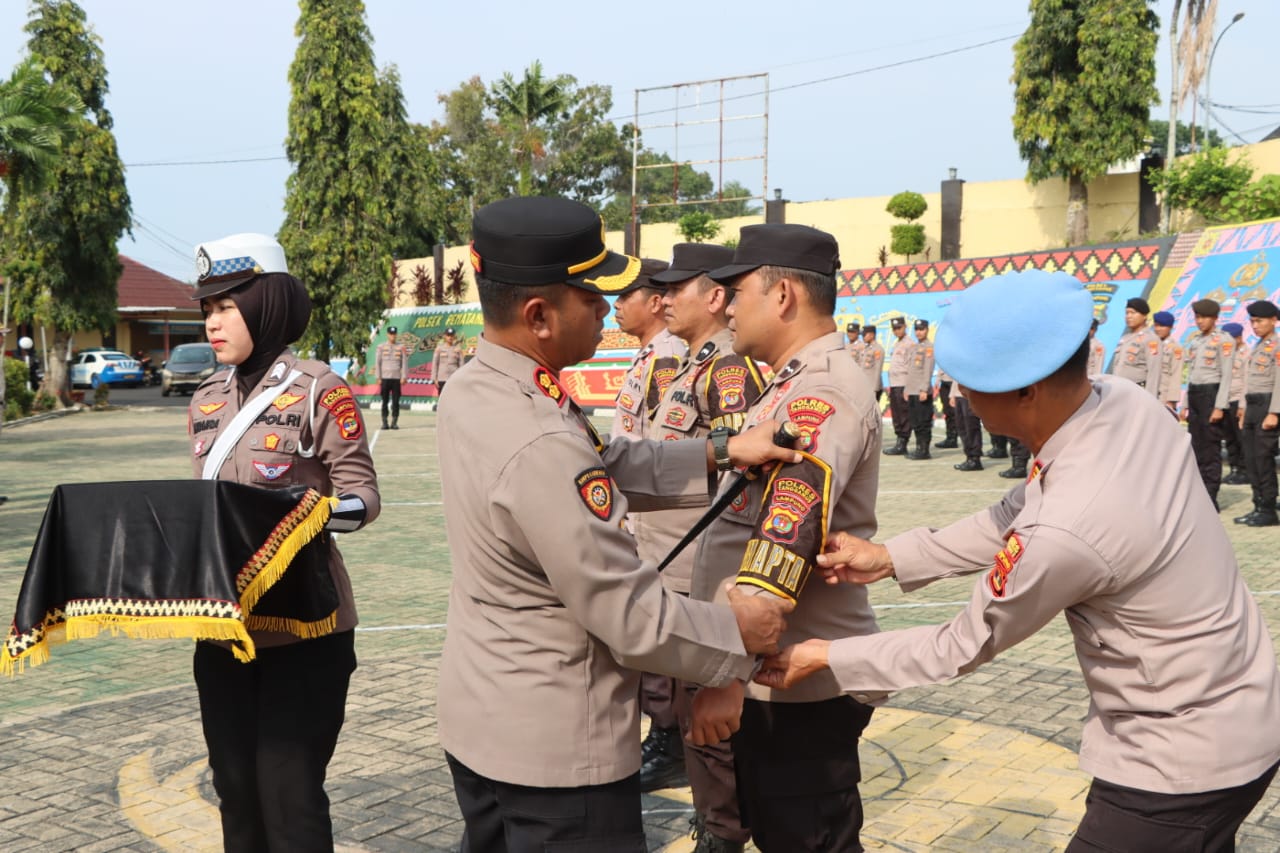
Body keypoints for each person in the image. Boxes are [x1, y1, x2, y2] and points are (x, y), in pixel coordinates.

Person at [755, 269, 1280, 852]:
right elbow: (1017, 509)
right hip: (1241, 704)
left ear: (1027, 390)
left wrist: (825, 655)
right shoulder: (1121, 403)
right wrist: (889, 557)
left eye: (973, 386)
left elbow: (959, 645)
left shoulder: (1070, 527)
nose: (964, 399)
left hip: (1180, 760)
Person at [434, 196, 798, 852]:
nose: (609, 310)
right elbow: (630, 616)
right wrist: (739, 634)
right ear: (539, 315)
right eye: (592, 296)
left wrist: (721, 450)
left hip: (485, 718)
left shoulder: (479, 385)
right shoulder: (538, 436)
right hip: (556, 752)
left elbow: (603, 460)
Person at [688, 223, 885, 852]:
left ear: (782, 296)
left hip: (793, 682)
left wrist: (726, 671)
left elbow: (785, 539)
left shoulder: (820, 393)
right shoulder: (789, 382)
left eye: (738, 291)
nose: (728, 306)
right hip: (773, 674)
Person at [188, 232, 381, 852]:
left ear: (266, 304)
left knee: (289, 796)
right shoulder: (205, 400)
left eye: (227, 306)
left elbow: (363, 495)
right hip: (225, 628)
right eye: (208, 309)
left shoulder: (319, 388)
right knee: (236, 793)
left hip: (306, 629)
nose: (213, 323)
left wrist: (308, 517)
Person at [642, 242, 766, 849]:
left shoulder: (728, 371)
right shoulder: (692, 366)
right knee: (696, 721)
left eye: (676, 288)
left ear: (715, 296)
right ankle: (714, 820)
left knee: (711, 725)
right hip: (675, 572)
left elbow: (740, 489)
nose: (663, 298)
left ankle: (721, 832)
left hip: (705, 578)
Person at [612, 258, 684, 440]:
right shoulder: (650, 353)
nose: (616, 304)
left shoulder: (665, 358)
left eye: (625, 296)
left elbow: (664, 440)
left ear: (655, 303)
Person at [1182, 299, 1236, 509]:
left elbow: (1227, 375)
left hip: (1211, 395)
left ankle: (1211, 496)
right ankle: (1199, 495)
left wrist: (1219, 407)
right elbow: (1191, 374)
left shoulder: (1224, 340)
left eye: (1204, 317)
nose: (1200, 321)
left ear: (1214, 318)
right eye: (1197, 317)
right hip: (1195, 395)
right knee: (1196, 447)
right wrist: (1185, 403)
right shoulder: (1196, 341)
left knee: (1210, 448)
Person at [1234, 299, 1280, 527]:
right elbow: (1248, 381)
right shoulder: (1258, 346)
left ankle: (1268, 509)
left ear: (1273, 320)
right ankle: (1257, 505)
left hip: (1267, 405)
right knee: (1251, 458)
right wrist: (1243, 409)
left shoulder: (1277, 346)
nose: (1255, 325)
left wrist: (1275, 412)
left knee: (1263, 459)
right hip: (1252, 406)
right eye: (1252, 321)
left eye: (1259, 321)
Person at [1109, 297, 1161, 395]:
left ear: (1144, 316)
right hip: (1118, 390)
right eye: (1127, 313)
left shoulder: (1151, 339)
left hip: (1136, 391)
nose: (1129, 316)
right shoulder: (1125, 338)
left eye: (1133, 313)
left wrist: (1150, 398)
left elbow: (1154, 371)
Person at [1221, 322, 1250, 485]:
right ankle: (1234, 469)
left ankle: (1244, 471)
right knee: (1229, 437)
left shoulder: (1246, 354)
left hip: (1238, 400)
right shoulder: (1226, 354)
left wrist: (1242, 405)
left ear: (1238, 338)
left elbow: (1247, 381)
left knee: (1241, 438)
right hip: (1226, 400)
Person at [904, 318, 935, 459]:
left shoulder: (929, 348)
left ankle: (924, 450)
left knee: (923, 422)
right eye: (917, 329)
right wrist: (907, 389)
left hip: (921, 391)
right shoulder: (914, 347)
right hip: (912, 390)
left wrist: (924, 389)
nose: (919, 332)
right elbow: (910, 370)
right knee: (915, 421)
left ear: (927, 330)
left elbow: (928, 370)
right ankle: (918, 448)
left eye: (921, 329)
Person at [883, 316, 913, 455]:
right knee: (896, 413)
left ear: (905, 327)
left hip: (903, 383)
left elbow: (911, 367)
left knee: (903, 414)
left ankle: (903, 442)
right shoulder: (897, 344)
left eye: (899, 328)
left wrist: (908, 387)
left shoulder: (909, 344)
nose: (897, 331)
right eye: (894, 329)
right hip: (894, 384)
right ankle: (899, 441)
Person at [375, 325, 408, 429]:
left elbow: (404, 363)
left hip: (396, 378)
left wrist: (404, 376)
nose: (393, 336)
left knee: (396, 401)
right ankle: (384, 421)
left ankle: (394, 422)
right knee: (384, 401)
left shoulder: (401, 347)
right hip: (385, 378)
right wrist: (378, 377)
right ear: (387, 335)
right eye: (391, 334)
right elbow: (378, 363)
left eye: (394, 334)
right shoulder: (381, 347)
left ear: (396, 335)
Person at [1152, 310, 1183, 414]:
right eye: (1156, 325)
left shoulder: (1175, 348)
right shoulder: (1150, 345)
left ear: (1170, 327)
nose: (1158, 329)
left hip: (1163, 395)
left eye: (1162, 326)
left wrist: (1171, 400)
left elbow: (1176, 374)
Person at [951, 378, 984, 471]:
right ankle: (969, 457)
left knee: (971, 426)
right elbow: (955, 378)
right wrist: (952, 394)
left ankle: (975, 459)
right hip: (959, 395)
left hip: (970, 394)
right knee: (962, 427)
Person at [431, 326, 463, 403]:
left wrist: (461, 378)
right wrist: (434, 378)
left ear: (454, 336)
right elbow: (435, 364)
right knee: (442, 400)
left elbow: (462, 365)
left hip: (454, 378)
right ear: (445, 336)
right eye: (448, 335)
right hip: (442, 378)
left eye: (451, 335)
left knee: (454, 399)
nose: (450, 337)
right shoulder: (439, 348)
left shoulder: (458, 349)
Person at [858, 324, 884, 403]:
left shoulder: (878, 349)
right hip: (864, 386)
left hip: (872, 387)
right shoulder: (866, 348)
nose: (863, 337)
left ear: (872, 335)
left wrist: (875, 389)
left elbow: (878, 370)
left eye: (864, 335)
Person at [935, 366, 959, 448]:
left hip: (954, 382)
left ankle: (954, 438)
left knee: (954, 412)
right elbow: (942, 364)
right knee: (947, 411)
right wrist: (938, 378)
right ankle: (950, 437)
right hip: (944, 381)